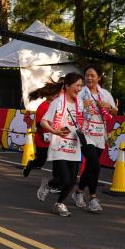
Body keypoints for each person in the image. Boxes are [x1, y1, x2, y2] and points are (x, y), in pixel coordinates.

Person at [37, 72, 85, 217]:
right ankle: (49, 185)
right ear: (67, 86)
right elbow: (43, 121)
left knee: (72, 180)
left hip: (74, 146)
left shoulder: (80, 103)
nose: (79, 88)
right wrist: (55, 131)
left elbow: (80, 122)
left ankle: (59, 203)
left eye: (80, 86)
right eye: (77, 85)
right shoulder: (57, 102)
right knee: (64, 178)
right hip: (59, 145)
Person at [72, 65, 117, 213]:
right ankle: (93, 198)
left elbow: (115, 112)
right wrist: (82, 104)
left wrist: (108, 106)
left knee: (91, 166)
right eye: (87, 75)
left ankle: (78, 193)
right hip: (85, 133)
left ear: (99, 78)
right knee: (95, 165)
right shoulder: (81, 93)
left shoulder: (104, 94)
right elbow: (72, 108)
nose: (89, 78)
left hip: (100, 135)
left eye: (92, 75)